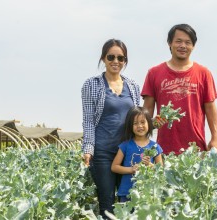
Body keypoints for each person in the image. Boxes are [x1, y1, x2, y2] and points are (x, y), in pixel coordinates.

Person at [81, 39, 140, 218]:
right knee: (106, 204)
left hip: (127, 153)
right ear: (103, 58)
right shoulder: (91, 85)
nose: (116, 61)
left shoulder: (133, 87)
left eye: (120, 58)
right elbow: (88, 121)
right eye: (111, 57)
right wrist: (88, 149)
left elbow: (138, 119)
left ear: (125, 61)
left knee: (127, 202)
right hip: (103, 153)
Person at [141, 23, 217, 155]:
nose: (183, 46)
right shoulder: (154, 73)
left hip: (196, 148)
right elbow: (147, 109)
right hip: (163, 150)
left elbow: (210, 108)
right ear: (169, 43)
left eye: (188, 42)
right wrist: (150, 124)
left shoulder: (203, 73)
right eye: (178, 41)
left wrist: (215, 138)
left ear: (193, 46)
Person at [111, 106, 163, 202]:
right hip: (127, 193)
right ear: (130, 126)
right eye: (135, 123)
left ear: (149, 124)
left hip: (148, 194)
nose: (139, 126)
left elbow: (161, 171)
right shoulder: (125, 146)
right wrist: (131, 169)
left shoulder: (155, 147)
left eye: (143, 122)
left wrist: (150, 165)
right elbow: (114, 167)